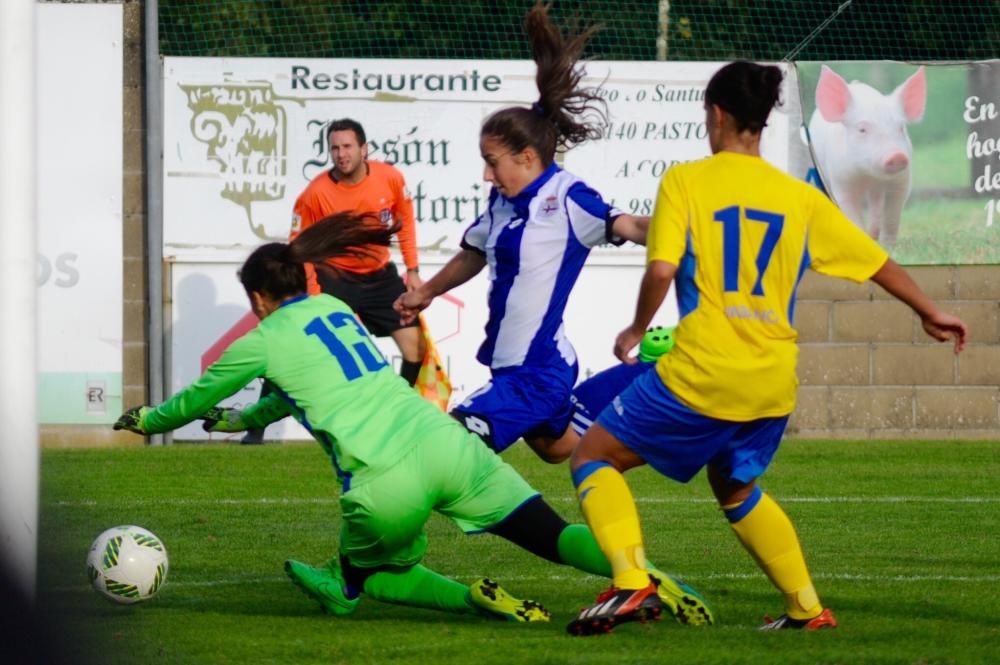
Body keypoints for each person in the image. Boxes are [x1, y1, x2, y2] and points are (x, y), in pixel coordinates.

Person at [112, 213, 713, 625]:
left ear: (258, 298)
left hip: (384, 482)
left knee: (369, 577)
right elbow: (316, 389)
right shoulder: (333, 309)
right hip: (444, 442)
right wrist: (241, 416)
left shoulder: (264, 337)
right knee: (552, 536)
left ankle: (439, 596)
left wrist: (148, 418)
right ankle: (647, 575)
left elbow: (191, 399)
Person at [565, 61, 969, 636]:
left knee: (593, 456)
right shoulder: (796, 197)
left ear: (717, 114)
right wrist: (930, 310)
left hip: (702, 372)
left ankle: (631, 583)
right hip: (773, 381)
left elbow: (662, 266)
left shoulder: (686, 181)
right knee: (734, 486)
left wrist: (635, 329)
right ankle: (806, 610)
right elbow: (873, 260)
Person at [395, 1, 649, 464]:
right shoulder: (502, 202)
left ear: (527, 157)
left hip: (539, 372)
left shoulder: (568, 198)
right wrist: (425, 292)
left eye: (492, 163)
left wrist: (694, 227)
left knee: (445, 445)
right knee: (560, 448)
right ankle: (656, 375)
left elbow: (628, 225)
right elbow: (474, 253)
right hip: (509, 365)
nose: (487, 176)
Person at [242, 118, 425, 444]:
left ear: (364, 149)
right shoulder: (315, 194)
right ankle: (256, 429)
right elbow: (297, 250)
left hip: (380, 278)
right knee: (294, 348)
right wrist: (312, 293)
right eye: (335, 148)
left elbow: (405, 221)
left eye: (347, 147)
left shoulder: (390, 178)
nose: (341, 154)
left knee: (414, 349)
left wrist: (412, 269)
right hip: (334, 280)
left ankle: (393, 420)